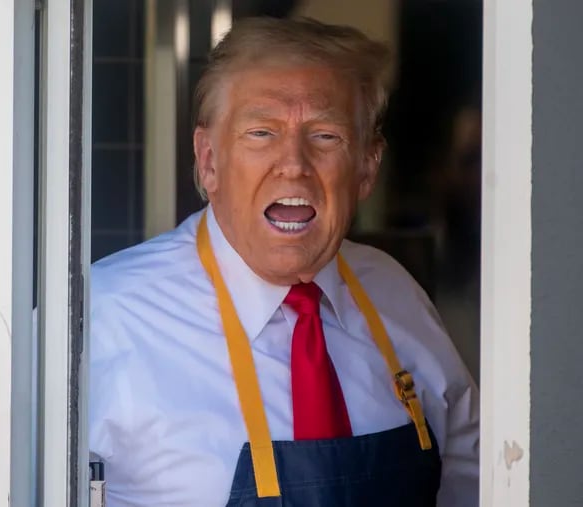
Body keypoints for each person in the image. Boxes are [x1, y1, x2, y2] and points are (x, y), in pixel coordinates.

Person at [89, 17, 478, 507]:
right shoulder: (102, 319)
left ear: (366, 167)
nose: (293, 163)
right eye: (261, 132)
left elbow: (481, 483)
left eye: (325, 136)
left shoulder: (397, 297)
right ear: (209, 160)